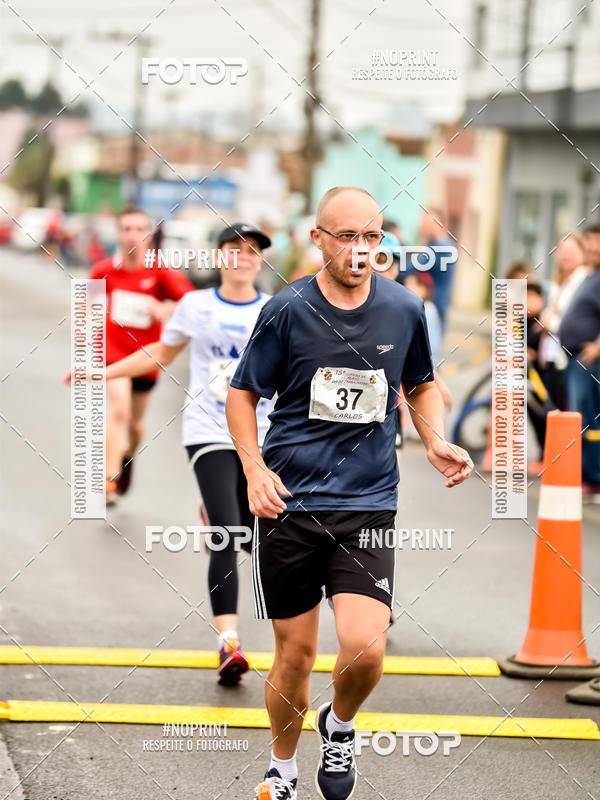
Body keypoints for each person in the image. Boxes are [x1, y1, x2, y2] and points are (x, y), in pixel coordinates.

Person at [226, 187, 473, 800]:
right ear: (318, 240)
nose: (362, 250)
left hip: (367, 502)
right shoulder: (286, 309)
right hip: (290, 500)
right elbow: (242, 394)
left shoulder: (404, 309)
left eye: (372, 237)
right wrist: (254, 470)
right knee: (296, 654)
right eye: (347, 238)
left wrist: (435, 438)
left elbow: (421, 383)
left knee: (365, 648)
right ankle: (282, 768)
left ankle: (339, 725)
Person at [103, 222, 274, 682]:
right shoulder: (196, 306)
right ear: (219, 257)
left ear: (260, 260)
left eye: (253, 251)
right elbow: (161, 350)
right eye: (235, 250)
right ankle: (229, 644)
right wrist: (105, 373)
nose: (244, 258)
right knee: (227, 534)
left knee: (261, 542)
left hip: (264, 436)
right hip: (211, 430)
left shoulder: (275, 310)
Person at [65, 207, 194, 505]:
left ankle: (126, 455)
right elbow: (84, 305)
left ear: (148, 235)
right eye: (126, 229)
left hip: (147, 357)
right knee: (119, 409)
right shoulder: (104, 269)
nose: (132, 235)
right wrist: (82, 329)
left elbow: (190, 303)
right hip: (112, 351)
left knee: (136, 424)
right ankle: (109, 480)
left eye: (138, 229)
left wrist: (163, 310)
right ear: (118, 234)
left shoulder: (161, 271)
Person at [559, 223, 600, 502]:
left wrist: (597, 345)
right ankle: (587, 476)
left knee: (589, 420)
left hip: (588, 361)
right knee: (580, 418)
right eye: (589, 243)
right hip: (575, 360)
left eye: (596, 243)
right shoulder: (591, 276)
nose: (591, 248)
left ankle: (594, 480)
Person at [538, 234, 589, 412]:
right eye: (562, 251)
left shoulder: (583, 280)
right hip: (554, 357)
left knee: (571, 414)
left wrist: (549, 323)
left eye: (571, 251)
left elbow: (575, 320)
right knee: (555, 412)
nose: (566, 256)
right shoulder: (559, 282)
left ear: (583, 253)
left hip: (572, 359)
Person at [419, 209, 456, 331]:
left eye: (426, 225)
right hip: (438, 304)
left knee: (430, 347)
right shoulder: (444, 245)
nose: (422, 229)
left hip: (436, 305)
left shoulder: (440, 248)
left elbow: (410, 267)